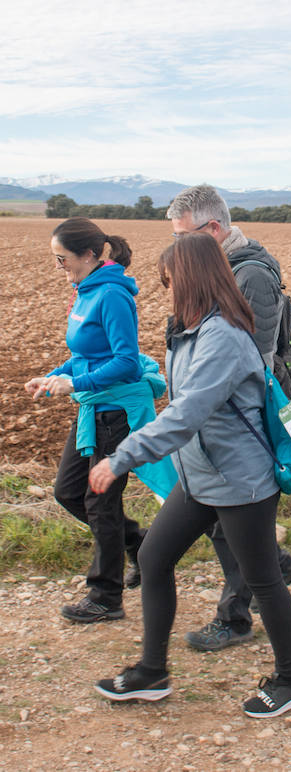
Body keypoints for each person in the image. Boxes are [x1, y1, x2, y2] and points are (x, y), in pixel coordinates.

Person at [89, 233, 291, 717]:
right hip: (201, 476)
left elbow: (185, 413)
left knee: (264, 580)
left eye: (170, 282)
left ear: (190, 280)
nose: (166, 291)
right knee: (153, 557)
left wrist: (120, 457)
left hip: (241, 483)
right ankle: (151, 672)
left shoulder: (223, 337)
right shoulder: (189, 331)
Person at [164, 185, 291, 651]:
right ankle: (271, 566)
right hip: (217, 419)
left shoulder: (252, 275)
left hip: (247, 415)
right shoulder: (219, 269)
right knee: (228, 521)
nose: (179, 249)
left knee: (233, 515)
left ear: (214, 230)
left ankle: (236, 615)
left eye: (184, 239)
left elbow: (252, 358)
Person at [24, 218, 147, 623]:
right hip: (92, 408)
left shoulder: (111, 295)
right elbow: (84, 353)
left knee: (100, 502)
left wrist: (74, 381)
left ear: (90, 255)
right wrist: (56, 375)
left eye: (63, 260)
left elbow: (127, 362)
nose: (60, 268)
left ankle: (105, 596)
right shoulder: (85, 291)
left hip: (114, 412)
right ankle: (140, 544)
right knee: (68, 491)